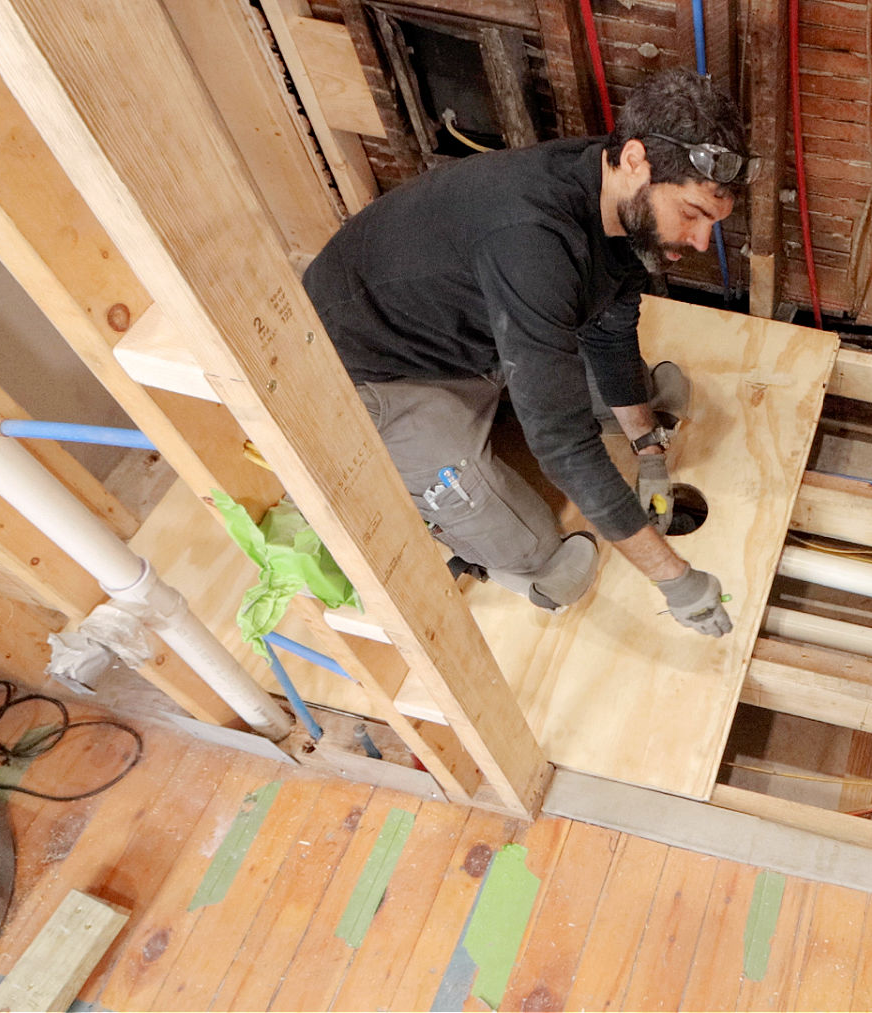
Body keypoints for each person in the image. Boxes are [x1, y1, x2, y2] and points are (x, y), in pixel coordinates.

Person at [302, 70, 755, 637]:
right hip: (378, 366)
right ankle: (511, 559)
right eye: (691, 214)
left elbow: (610, 328)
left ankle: (523, 387)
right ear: (636, 159)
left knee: (630, 385)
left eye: (712, 223)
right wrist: (676, 580)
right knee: (539, 551)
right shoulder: (534, 238)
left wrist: (648, 449)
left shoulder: (612, 195)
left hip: (485, 326)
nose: (698, 243)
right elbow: (562, 444)